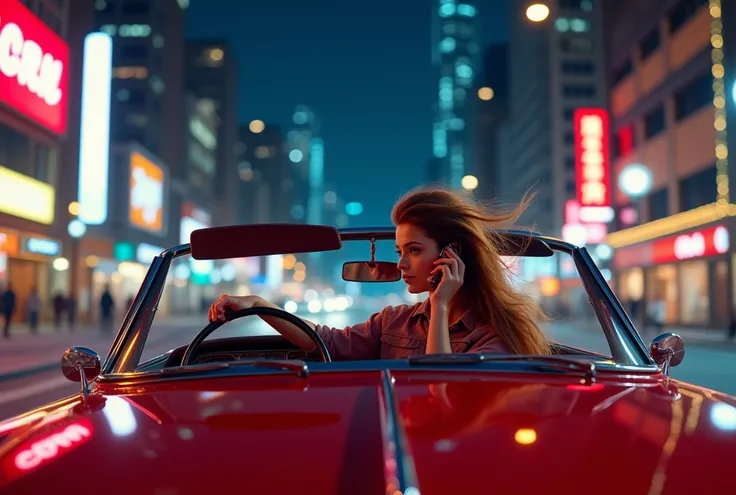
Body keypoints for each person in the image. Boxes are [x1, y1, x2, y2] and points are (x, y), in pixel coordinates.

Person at [208, 186, 551, 360]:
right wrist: (258, 303)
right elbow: (326, 341)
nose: (402, 264)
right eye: (400, 252)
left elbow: (443, 391)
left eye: (414, 251)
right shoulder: (393, 321)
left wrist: (442, 304)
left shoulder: (495, 338)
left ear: (451, 255)